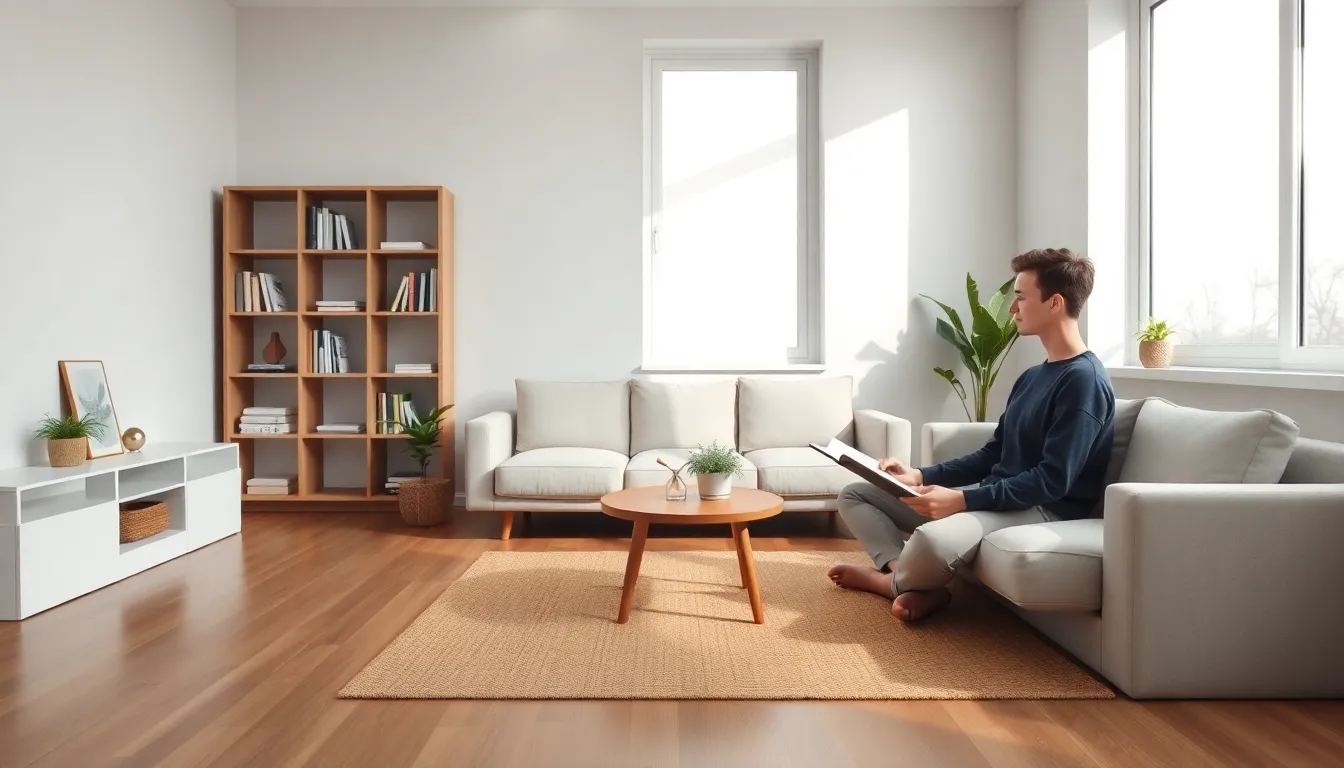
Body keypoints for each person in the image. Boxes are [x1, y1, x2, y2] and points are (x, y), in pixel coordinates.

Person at [828, 248, 1116, 622]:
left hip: (1043, 511)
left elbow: (1053, 481)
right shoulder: (1033, 376)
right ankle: (904, 575)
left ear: (1054, 303)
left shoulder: (1083, 381)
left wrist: (963, 500)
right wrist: (920, 476)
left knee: (932, 539)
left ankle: (888, 583)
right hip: (998, 500)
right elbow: (994, 453)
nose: (1012, 309)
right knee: (857, 493)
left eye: (1020, 297)